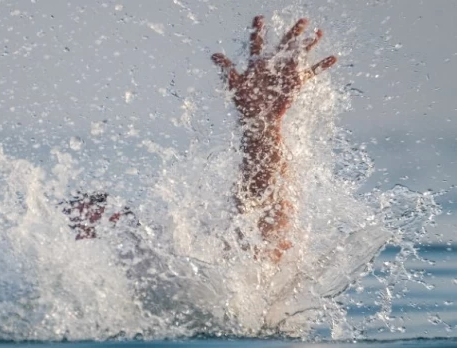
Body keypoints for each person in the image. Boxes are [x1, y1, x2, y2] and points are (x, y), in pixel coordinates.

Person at [64, 16, 337, 264]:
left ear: (115, 217)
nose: (74, 238)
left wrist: (261, 126)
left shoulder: (164, 257)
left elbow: (261, 240)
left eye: (80, 225)